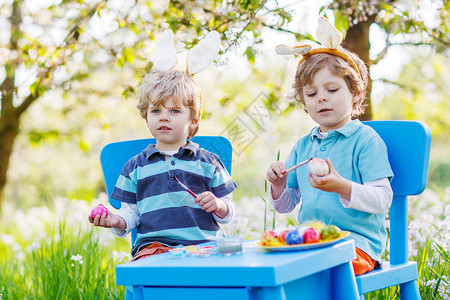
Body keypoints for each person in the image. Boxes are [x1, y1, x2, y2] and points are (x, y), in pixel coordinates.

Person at [266, 17, 393, 275]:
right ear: (304, 102)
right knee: (272, 262)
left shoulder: (365, 141)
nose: (321, 98)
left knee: (320, 269)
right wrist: (278, 186)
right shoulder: (303, 145)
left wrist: (342, 187)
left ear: (356, 93)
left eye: (332, 89)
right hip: (311, 242)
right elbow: (286, 204)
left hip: (355, 247)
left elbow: (382, 200)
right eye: (311, 94)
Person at [89, 69, 237, 260]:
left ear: (194, 121)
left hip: (205, 247)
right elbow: (131, 214)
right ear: (146, 117)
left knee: (225, 271)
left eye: (174, 111)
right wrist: (116, 220)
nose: (163, 117)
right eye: (156, 110)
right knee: (151, 272)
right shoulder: (135, 167)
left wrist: (218, 205)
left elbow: (228, 213)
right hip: (155, 249)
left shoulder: (209, 162)